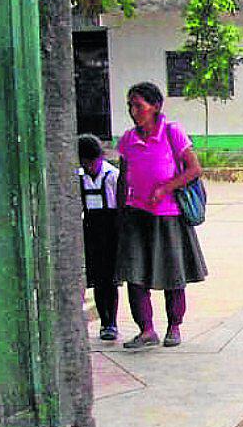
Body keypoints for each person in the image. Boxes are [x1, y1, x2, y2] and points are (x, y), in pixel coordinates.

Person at [114, 82, 208, 349]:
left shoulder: (172, 132)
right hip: (136, 214)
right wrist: (120, 213)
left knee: (173, 273)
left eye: (139, 106)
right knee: (135, 275)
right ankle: (146, 330)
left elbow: (194, 169)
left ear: (155, 107)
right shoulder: (128, 140)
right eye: (130, 106)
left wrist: (166, 188)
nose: (134, 112)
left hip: (168, 215)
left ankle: (174, 326)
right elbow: (123, 177)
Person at [78, 134, 121, 341]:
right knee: (96, 279)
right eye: (85, 163)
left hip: (110, 231)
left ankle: (111, 322)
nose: (89, 167)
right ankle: (103, 321)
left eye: (92, 162)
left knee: (109, 280)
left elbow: (120, 207)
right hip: (90, 230)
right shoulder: (80, 178)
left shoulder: (112, 176)